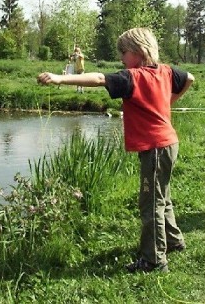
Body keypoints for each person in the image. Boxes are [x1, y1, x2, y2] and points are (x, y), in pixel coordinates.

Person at [37, 28, 194, 272]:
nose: (121, 58)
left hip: (155, 147)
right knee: (162, 196)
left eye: (124, 52)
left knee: (150, 203)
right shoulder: (165, 71)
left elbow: (99, 78)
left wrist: (60, 78)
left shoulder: (134, 77)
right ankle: (173, 241)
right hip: (168, 143)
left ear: (138, 52)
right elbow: (189, 78)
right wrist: (169, 103)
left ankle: (154, 260)